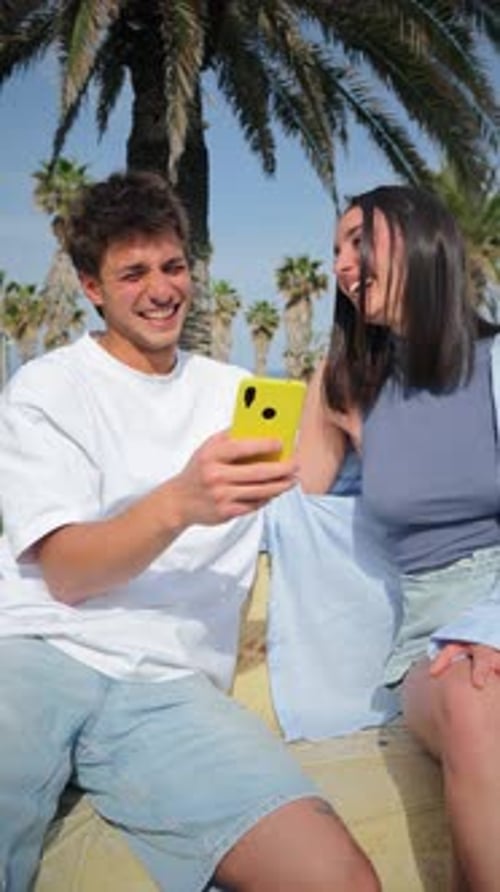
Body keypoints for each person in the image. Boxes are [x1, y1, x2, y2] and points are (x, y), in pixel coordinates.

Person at [0, 170, 379, 892]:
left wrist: (345, 380)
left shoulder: (234, 396)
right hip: (34, 654)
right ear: (91, 287)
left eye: (173, 267)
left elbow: (317, 495)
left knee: (339, 881)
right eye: (132, 272)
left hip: (171, 687)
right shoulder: (47, 389)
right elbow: (67, 574)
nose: (160, 289)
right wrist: (181, 502)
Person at [297, 183, 500, 892]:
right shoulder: (353, 385)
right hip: (430, 635)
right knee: (477, 698)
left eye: (360, 242)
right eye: (334, 253)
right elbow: (295, 505)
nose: (343, 266)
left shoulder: (495, 363)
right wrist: (323, 388)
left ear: (419, 239)